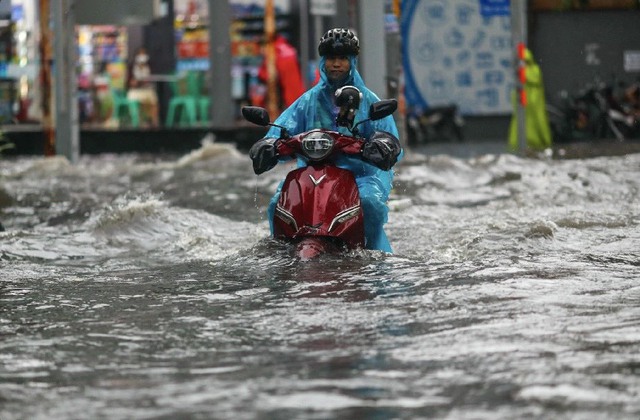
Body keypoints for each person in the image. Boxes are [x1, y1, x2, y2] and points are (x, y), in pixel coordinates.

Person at [249, 28, 402, 253]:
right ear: (323, 61)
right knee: (276, 204)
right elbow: (283, 127)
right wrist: (268, 145)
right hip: (312, 175)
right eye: (331, 58)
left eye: (342, 59)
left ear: (352, 61)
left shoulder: (368, 100)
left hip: (361, 178)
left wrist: (382, 146)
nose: (336, 64)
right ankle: (279, 255)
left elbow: (389, 138)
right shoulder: (308, 101)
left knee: (369, 204)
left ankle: (374, 255)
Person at [509, 48, 552, 152]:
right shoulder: (522, 73)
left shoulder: (533, 70)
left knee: (538, 124)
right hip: (524, 107)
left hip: (533, 107)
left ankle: (541, 143)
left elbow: (532, 79)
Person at [256, 34, 305, 110]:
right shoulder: (286, 48)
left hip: (288, 96)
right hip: (297, 93)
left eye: (261, 48)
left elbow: (265, 75)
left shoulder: (274, 53)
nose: (261, 51)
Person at [127, 47, 159, 127]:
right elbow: (128, 82)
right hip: (135, 91)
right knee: (138, 101)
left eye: (144, 54)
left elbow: (153, 78)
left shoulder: (149, 66)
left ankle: (154, 123)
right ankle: (139, 123)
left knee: (153, 100)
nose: (142, 56)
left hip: (147, 89)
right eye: (140, 54)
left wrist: (147, 81)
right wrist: (132, 82)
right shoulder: (131, 66)